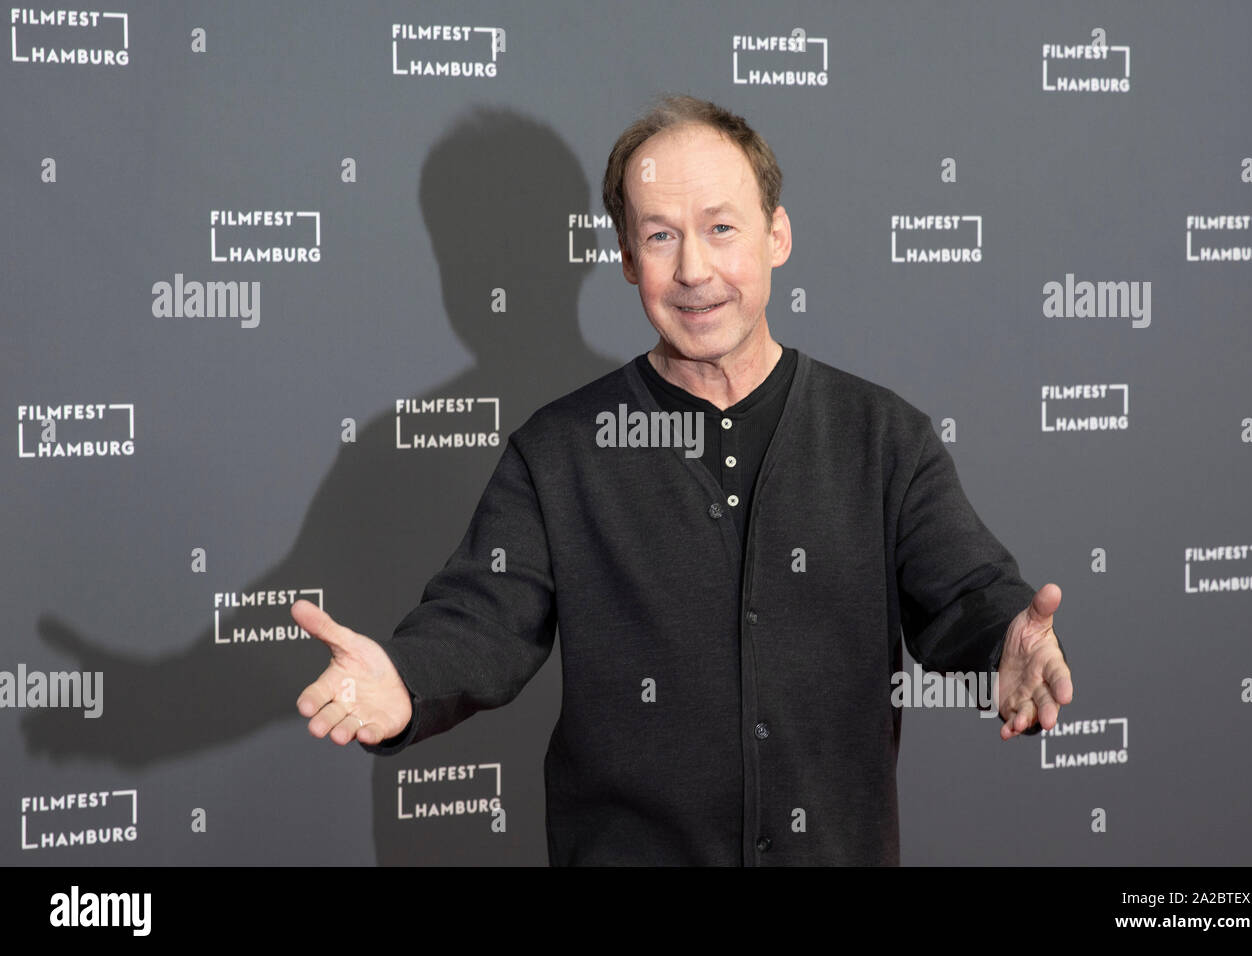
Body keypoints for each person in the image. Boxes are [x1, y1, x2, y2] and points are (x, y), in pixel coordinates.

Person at [292, 94, 1073, 865]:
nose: (694, 270)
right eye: (660, 236)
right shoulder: (558, 452)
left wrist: (1007, 642)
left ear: (777, 235)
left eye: (721, 229)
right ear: (628, 258)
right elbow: (481, 621)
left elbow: (966, 594)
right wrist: (404, 678)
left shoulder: (882, 438)